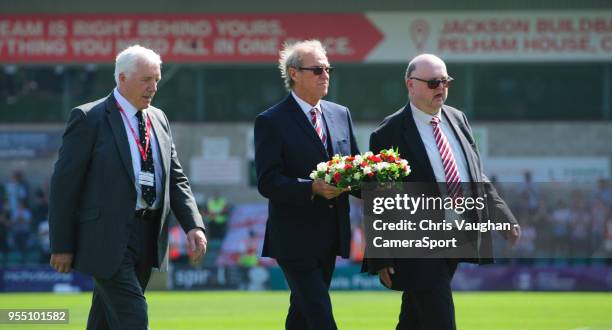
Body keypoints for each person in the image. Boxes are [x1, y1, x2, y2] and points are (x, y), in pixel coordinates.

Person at [48, 45, 207, 329]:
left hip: (148, 236)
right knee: (133, 316)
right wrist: (61, 244)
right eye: (146, 79)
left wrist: (193, 225)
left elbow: (176, 179)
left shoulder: (159, 119)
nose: (153, 87)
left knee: (105, 321)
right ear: (122, 78)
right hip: (105, 237)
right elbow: (64, 187)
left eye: (156, 79)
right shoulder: (88, 118)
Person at [362, 54, 520, 330]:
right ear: (410, 84)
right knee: (439, 315)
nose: (441, 88)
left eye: (445, 81)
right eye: (433, 82)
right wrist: (382, 255)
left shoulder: (458, 119)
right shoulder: (389, 132)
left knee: (415, 315)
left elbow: (475, 174)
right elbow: (380, 197)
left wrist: (502, 214)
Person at [254, 39, 360, 330]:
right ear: (294, 73)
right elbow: (267, 181)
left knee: (302, 315)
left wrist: (385, 179)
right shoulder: (271, 121)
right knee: (320, 314)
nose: (325, 75)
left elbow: (355, 168)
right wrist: (311, 187)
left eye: (328, 69)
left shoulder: (341, 114)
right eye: (317, 70)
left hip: (331, 235)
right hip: (293, 238)